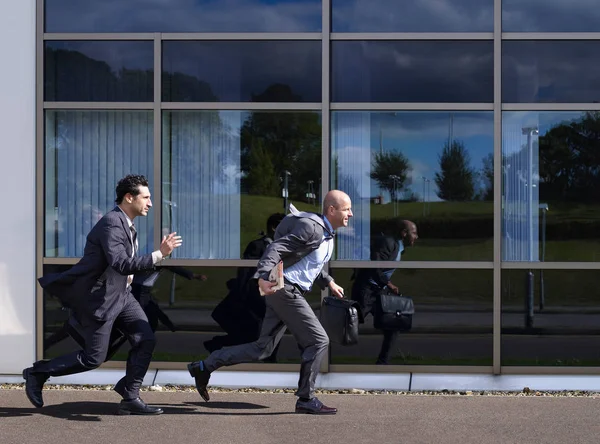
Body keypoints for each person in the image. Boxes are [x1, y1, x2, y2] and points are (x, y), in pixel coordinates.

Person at [23, 174, 182, 415]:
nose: (150, 203)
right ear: (129, 197)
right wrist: (159, 255)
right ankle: (38, 372)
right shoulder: (111, 223)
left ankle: (130, 394)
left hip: (123, 296)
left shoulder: (126, 223)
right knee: (93, 358)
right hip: (101, 299)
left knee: (145, 339)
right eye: (146, 197)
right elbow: (120, 263)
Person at [187, 190, 352, 415]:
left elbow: (310, 262)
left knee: (262, 349)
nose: (350, 214)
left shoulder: (326, 234)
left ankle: (205, 366)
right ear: (331, 210)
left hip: (284, 289)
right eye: (346, 209)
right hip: (285, 290)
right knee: (319, 339)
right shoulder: (312, 228)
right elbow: (276, 248)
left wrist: (329, 281)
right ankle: (306, 397)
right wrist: (263, 275)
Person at [205, 213, 285, 360]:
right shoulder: (257, 246)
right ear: (274, 228)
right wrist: (242, 295)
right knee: (255, 334)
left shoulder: (284, 248)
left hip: (275, 296)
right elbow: (245, 273)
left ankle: (270, 360)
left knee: (269, 332)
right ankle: (217, 344)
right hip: (256, 298)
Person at [351, 220, 418, 365]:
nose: (416, 236)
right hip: (366, 290)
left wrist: (387, 285)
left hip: (378, 291)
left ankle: (382, 364)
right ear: (403, 233)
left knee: (392, 325)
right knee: (348, 324)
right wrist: (389, 284)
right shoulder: (388, 243)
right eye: (414, 232)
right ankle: (321, 353)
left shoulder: (398, 247)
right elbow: (375, 266)